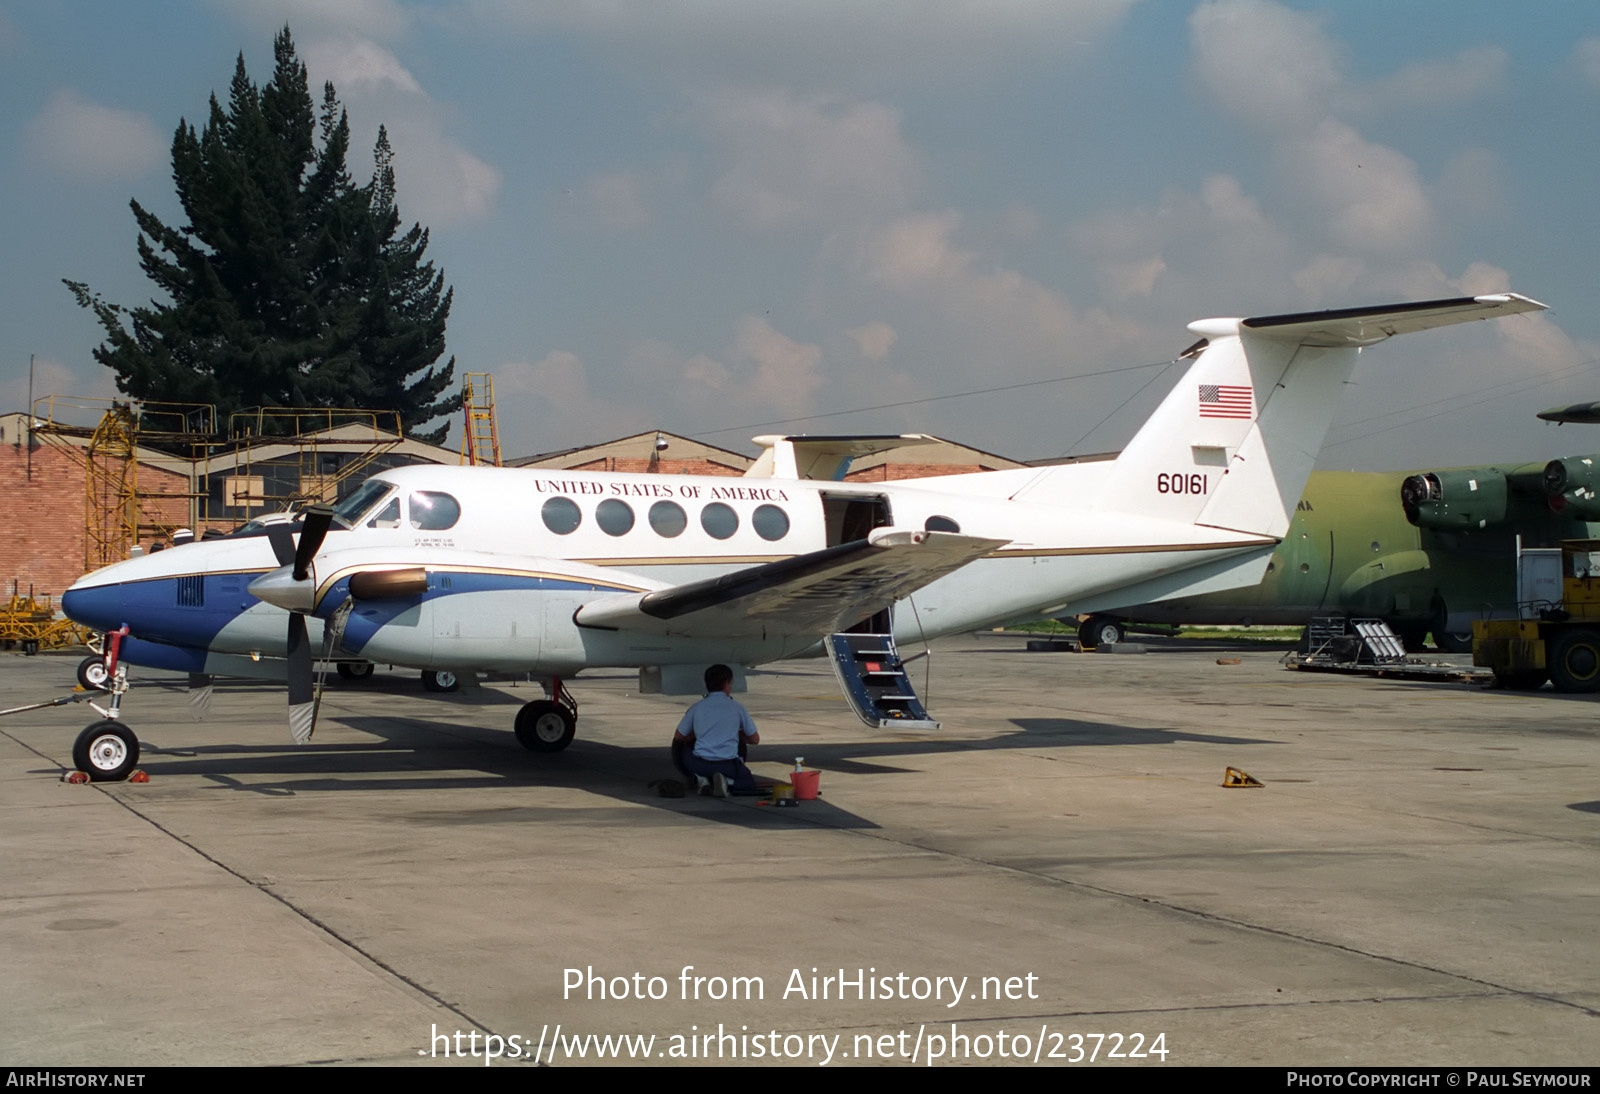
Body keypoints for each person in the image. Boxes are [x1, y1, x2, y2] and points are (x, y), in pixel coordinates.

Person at [674, 664, 760, 797]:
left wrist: (696, 735)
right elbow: (755, 739)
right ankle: (727, 782)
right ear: (726, 683)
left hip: (699, 764)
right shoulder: (737, 708)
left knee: (684, 750)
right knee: (749, 785)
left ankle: (700, 779)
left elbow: (678, 737)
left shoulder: (697, 707)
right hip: (728, 766)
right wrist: (736, 734)